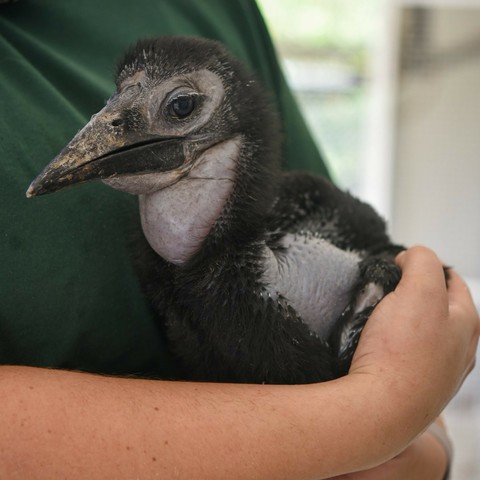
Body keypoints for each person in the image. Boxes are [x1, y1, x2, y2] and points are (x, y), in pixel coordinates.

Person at [0, 1, 478, 478]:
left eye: (181, 106)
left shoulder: (209, 8)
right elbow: (400, 389)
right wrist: (378, 414)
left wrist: (426, 447)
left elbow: (395, 293)